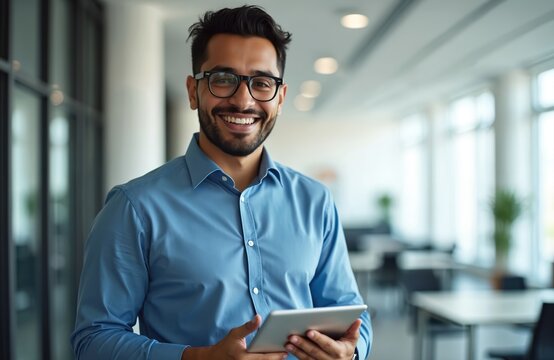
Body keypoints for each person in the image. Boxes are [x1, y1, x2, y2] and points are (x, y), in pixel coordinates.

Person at [71, 5, 372, 360]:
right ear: (193, 91)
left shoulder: (315, 201)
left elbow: (352, 317)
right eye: (224, 79)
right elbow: (93, 341)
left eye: (262, 82)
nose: (243, 100)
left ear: (281, 96)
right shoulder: (134, 208)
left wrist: (351, 351)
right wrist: (196, 358)